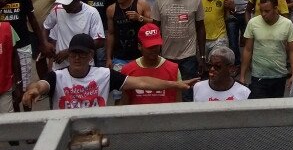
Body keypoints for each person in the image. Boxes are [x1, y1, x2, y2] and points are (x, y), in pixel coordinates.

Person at [23, 32, 194, 110]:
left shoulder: (104, 75)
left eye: (82, 54)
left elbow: (142, 81)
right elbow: (40, 85)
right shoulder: (56, 76)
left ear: (91, 55)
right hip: (63, 131)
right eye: (73, 53)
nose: (76, 58)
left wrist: (175, 84)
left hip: (96, 133)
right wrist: (32, 91)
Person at [151, 0, 206, 99]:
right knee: (168, 91)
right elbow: (155, 27)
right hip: (166, 55)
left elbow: (200, 28)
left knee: (188, 93)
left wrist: (202, 56)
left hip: (189, 56)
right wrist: (155, 52)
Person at [240, 0, 293, 98]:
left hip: (279, 75)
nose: (263, 14)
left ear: (276, 9)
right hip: (258, 76)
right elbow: (248, 50)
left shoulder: (287, 24)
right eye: (261, 11)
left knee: (276, 110)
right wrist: (242, 75)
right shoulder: (253, 23)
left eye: (267, 11)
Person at [43, 0, 105, 71]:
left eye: (68, 4)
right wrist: (45, 43)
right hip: (61, 63)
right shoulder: (58, 9)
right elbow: (46, 27)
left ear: (77, 0)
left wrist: (70, 51)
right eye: (63, 3)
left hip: (84, 64)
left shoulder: (91, 13)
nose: (65, 6)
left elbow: (99, 41)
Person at [120, 24, 182, 105]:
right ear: (139, 46)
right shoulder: (127, 70)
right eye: (149, 47)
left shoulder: (173, 69)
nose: (154, 50)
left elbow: (179, 103)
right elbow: (125, 103)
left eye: (156, 46)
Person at [105, 0, 151, 69]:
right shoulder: (111, 9)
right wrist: (108, 58)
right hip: (119, 56)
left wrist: (139, 18)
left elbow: (153, 24)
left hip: (139, 55)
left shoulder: (141, 4)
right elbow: (111, 34)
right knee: (121, 81)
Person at [0, 19, 20, 114]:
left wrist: (18, 83)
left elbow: (14, 57)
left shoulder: (6, 27)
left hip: (5, 86)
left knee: (6, 123)